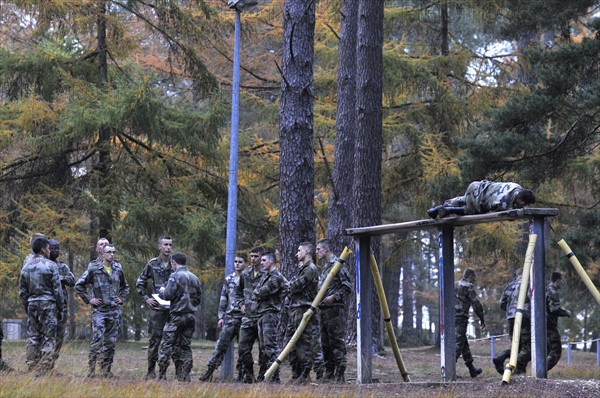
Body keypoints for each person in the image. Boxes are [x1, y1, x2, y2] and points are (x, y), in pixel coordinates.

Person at [75, 242, 129, 378]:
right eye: (109, 252)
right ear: (102, 254)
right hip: (100, 311)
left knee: (110, 343)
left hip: (114, 311)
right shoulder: (94, 269)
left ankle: (106, 370)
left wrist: (121, 298)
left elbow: (125, 286)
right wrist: (89, 300)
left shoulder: (118, 268)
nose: (112, 255)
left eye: (113, 252)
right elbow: (79, 285)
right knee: (97, 340)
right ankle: (91, 370)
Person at [19, 238, 64, 376]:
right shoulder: (51, 266)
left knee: (33, 336)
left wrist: (27, 306)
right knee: (48, 336)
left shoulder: (26, 267)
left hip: (32, 304)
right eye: (48, 248)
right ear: (43, 249)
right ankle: (45, 366)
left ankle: (32, 365)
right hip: (48, 305)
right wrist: (60, 308)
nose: (50, 251)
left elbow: (22, 291)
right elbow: (57, 290)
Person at [199, 253, 247, 382]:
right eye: (235, 261)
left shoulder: (249, 279)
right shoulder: (229, 279)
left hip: (245, 319)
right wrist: (220, 316)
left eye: (240, 262)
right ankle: (209, 371)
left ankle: (242, 375)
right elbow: (223, 298)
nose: (237, 264)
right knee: (220, 346)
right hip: (230, 317)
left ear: (245, 264)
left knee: (244, 349)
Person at [156, 252, 201, 382]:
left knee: (166, 345)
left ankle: (162, 375)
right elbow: (198, 298)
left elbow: (168, 295)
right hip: (190, 317)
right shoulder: (194, 278)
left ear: (174, 262)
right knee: (185, 346)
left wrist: (161, 292)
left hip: (176, 317)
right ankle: (185, 375)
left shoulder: (174, 276)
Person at [135, 236, 174, 380]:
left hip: (172, 310)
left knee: (171, 341)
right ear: (159, 247)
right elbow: (140, 283)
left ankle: (164, 372)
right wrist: (146, 298)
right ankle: (151, 371)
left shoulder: (175, 264)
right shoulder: (152, 264)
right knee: (154, 341)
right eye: (165, 245)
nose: (168, 248)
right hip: (157, 310)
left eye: (170, 245)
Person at [316, 238, 352, 382]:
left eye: (319, 249)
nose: (317, 252)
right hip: (323, 309)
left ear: (326, 249)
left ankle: (340, 372)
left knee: (336, 340)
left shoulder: (337, 265)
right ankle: (329, 372)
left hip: (334, 309)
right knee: (325, 342)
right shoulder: (324, 267)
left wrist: (334, 297)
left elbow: (347, 286)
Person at [284, 242, 319, 383]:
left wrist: (289, 285)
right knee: (290, 342)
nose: (296, 253)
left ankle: (304, 374)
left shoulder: (310, 269)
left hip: (303, 308)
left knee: (302, 343)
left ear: (307, 252)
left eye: (299, 250)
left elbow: (294, 286)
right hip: (295, 309)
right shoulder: (303, 269)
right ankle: (296, 374)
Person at [253, 251, 287, 383]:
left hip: (270, 314)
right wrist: (257, 292)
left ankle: (274, 376)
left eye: (264, 260)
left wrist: (257, 293)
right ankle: (266, 374)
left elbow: (262, 292)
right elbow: (256, 291)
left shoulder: (276, 277)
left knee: (271, 346)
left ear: (271, 261)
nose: (261, 263)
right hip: (262, 313)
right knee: (263, 347)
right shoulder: (266, 276)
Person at [235, 246, 266, 383]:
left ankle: (263, 376)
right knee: (243, 348)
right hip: (247, 317)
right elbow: (238, 292)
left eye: (256, 256)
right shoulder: (245, 274)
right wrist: (240, 304)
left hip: (262, 316)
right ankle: (249, 375)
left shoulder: (267, 274)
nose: (253, 259)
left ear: (262, 258)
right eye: (251, 256)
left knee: (264, 349)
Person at [428, 180, 535, 218]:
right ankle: (448, 210)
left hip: (477, 186)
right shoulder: (502, 203)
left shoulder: (516, 186)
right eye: (525, 204)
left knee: (463, 200)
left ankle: (434, 210)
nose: (525, 207)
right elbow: (493, 209)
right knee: (471, 211)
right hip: (478, 197)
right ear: (521, 201)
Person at [493, 268, 531, 375]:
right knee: (527, 347)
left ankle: (501, 357)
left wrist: (511, 310)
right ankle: (518, 368)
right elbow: (532, 299)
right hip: (524, 317)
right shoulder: (527, 284)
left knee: (516, 345)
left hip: (511, 317)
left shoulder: (509, 286)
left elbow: (502, 303)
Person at [48, 239, 76, 368]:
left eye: (58, 249)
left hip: (61, 307)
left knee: (59, 336)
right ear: (47, 249)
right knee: (47, 335)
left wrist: (61, 278)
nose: (56, 251)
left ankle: (52, 362)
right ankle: (43, 364)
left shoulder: (62, 267)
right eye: (53, 248)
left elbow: (72, 280)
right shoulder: (43, 265)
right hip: (47, 307)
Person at [454, 268, 485, 378]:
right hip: (461, 317)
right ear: (470, 276)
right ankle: (450, 369)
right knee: (458, 343)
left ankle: (472, 370)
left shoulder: (454, 284)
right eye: (474, 277)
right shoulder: (468, 286)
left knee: (463, 343)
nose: (475, 279)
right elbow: (476, 304)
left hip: (451, 317)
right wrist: (482, 318)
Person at [546, 271, 571, 371]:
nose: (562, 283)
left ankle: (538, 373)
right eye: (562, 281)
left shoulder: (544, 289)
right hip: (550, 325)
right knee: (556, 351)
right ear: (557, 280)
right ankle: (541, 372)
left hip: (540, 325)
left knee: (547, 350)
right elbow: (555, 309)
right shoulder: (553, 291)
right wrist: (566, 313)